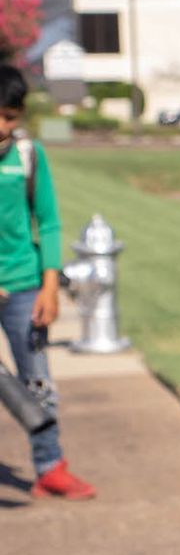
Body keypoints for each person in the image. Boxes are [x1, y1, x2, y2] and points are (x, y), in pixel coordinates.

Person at [0, 64, 94, 500]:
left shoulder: (28, 156)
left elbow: (50, 223)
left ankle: (50, 467)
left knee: (37, 381)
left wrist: (50, 286)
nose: (3, 126)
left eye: (10, 117)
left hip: (24, 287)